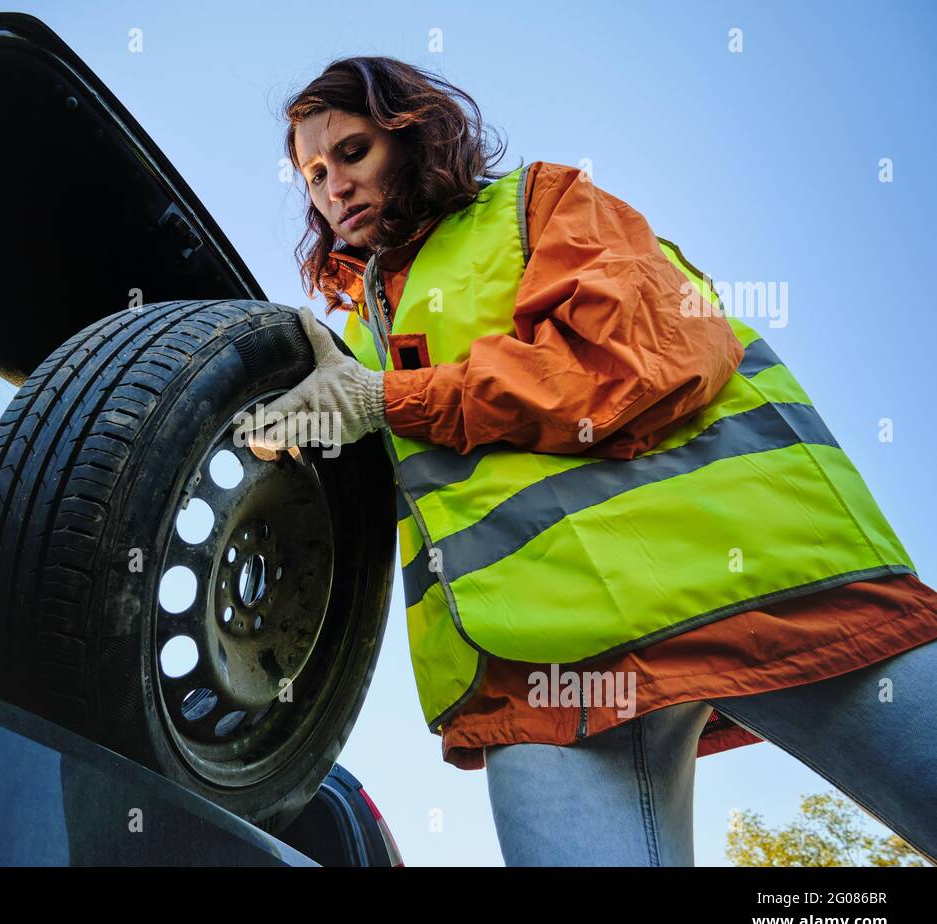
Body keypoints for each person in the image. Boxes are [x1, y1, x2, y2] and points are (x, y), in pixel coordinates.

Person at [254, 55, 937, 866]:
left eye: (354, 152)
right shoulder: (352, 344)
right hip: (546, 677)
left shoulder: (536, 207)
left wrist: (389, 402)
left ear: (416, 133)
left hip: (761, 589)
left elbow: (640, 362)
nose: (332, 188)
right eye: (314, 173)